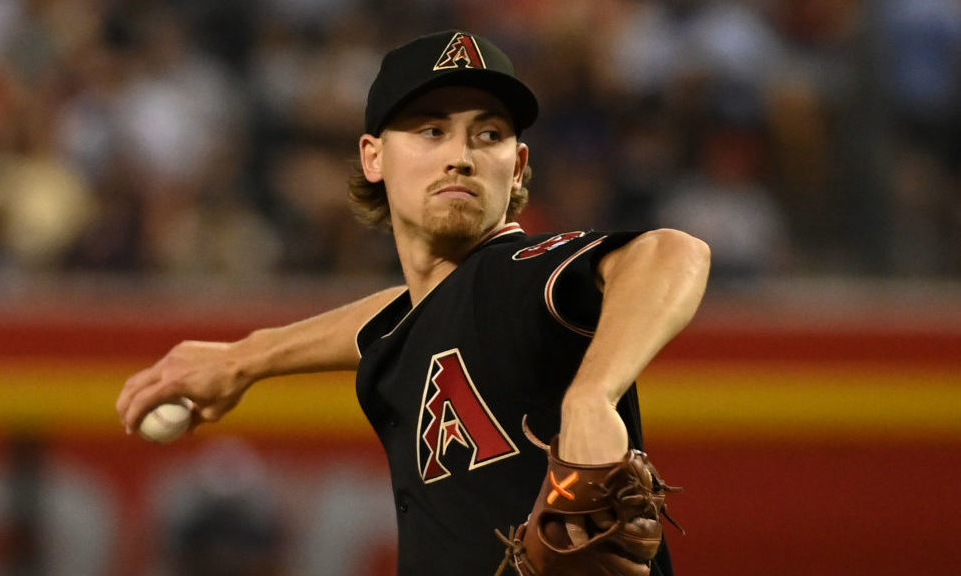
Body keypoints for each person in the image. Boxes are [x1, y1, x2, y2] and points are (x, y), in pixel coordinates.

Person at [116, 30, 710, 575]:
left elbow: (670, 253)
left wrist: (592, 396)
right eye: (431, 130)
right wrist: (244, 358)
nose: (462, 155)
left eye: (490, 134)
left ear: (519, 165)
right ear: (373, 157)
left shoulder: (521, 275)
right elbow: (394, 317)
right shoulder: (422, 317)